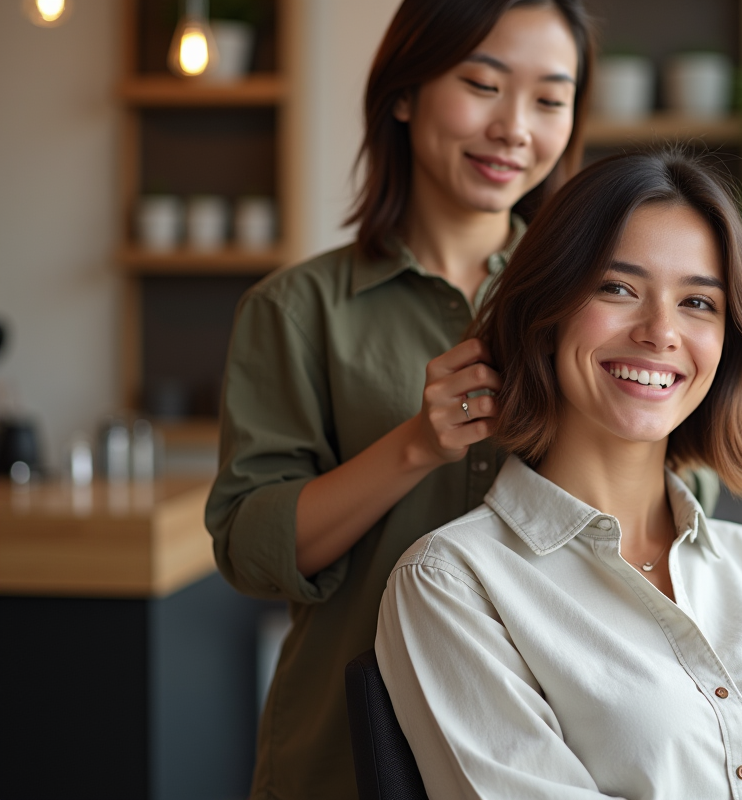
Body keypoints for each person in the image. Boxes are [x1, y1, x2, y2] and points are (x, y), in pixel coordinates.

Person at [376, 150, 742, 800]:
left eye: (697, 302)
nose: (661, 332)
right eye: (618, 289)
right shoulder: (454, 582)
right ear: (545, 314)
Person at [204, 1, 597, 797]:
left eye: (550, 99)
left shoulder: (591, 307)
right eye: (482, 84)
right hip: (347, 759)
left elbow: (680, 502)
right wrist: (416, 445)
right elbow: (250, 547)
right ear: (405, 92)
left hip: (561, 753)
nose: (515, 127)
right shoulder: (295, 309)